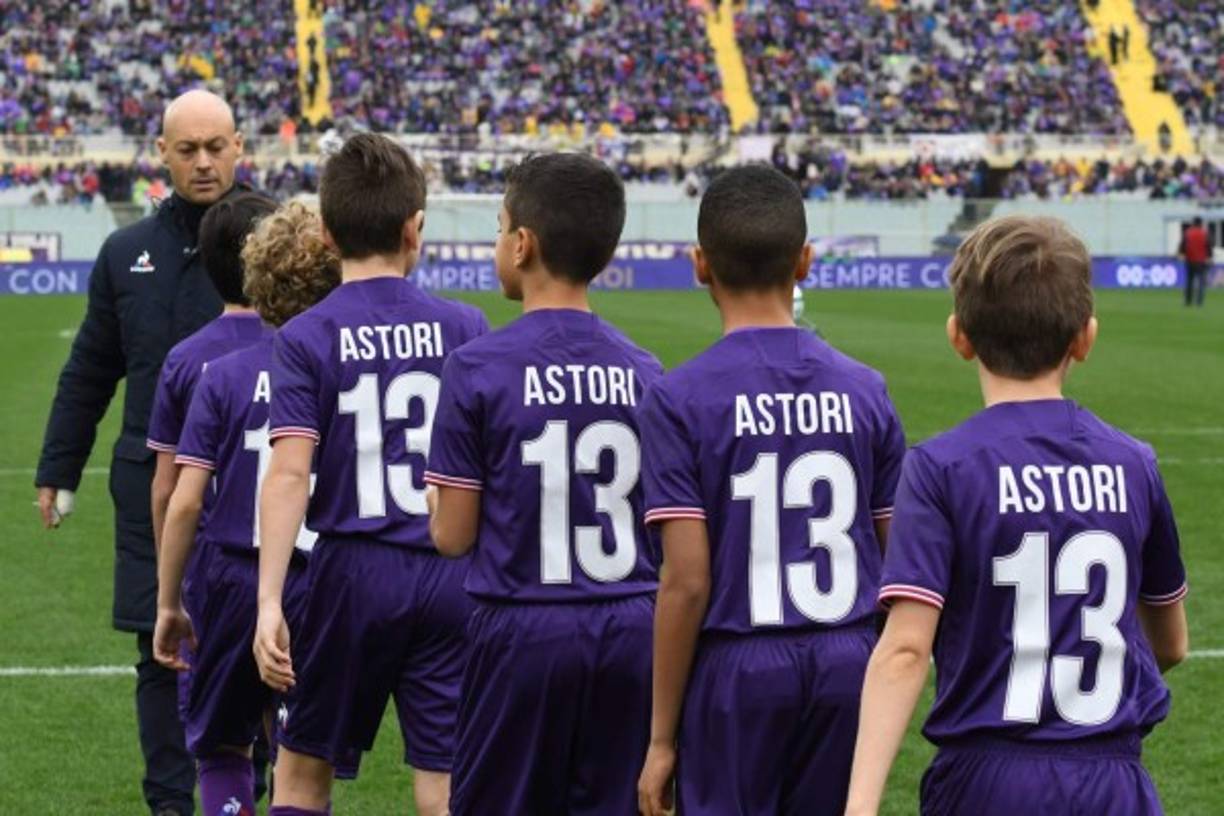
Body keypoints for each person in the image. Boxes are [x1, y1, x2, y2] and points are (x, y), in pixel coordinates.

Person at [844, 215, 1190, 816]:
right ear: (1085, 338)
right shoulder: (1134, 463)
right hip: (1113, 782)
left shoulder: (940, 467)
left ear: (959, 336)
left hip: (987, 781)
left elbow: (905, 650)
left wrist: (860, 806)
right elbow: (1172, 644)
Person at [634, 165, 906, 816]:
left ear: (700, 265)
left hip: (739, 668)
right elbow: (898, 553)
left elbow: (686, 582)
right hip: (848, 660)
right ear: (805, 262)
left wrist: (661, 737)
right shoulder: (866, 389)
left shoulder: (678, 397)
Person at [251, 134, 488, 816]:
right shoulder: (466, 326)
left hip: (351, 572)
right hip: (449, 571)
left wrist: (270, 600)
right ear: (415, 228)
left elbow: (289, 474)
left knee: (301, 776)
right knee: (447, 784)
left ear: (326, 235)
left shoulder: (304, 336)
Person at [425, 152, 664, 815]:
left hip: (522, 626)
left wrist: (438, 502)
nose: (498, 241)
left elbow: (452, 536)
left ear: (522, 244)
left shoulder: (476, 366)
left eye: (500, 227)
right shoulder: (646, 371)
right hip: (630, 623)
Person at [35, 89, 244, 816]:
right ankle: (170, 803)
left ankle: (252, 793)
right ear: (161, 154)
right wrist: (58, 467)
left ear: (239, 147)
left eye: (215, 147)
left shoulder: (278, 241)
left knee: (262, 644)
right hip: (149, 487)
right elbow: (91, 369)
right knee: (162, 652)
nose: (203, 162)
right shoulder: (126, 253)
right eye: (187, 150)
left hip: (256, 480)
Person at [153, 201, 341, 816]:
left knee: (222, 746)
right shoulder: (341, 372)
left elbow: (184, 502)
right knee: (302, 760)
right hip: (319, 576)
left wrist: (169, 601)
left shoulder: (223, 374)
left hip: (231, 576)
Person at [1179, 216, 1210, 307]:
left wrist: (1181, 253)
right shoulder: (1204, 233)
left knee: (1189, 281)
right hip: (1201, 261)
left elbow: (1183, 245)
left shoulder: (1188, 233)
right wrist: (1209, 257)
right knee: (1201, 282)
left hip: (1190, 260)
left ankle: (1188, 301)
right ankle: (1199, 302)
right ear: (1200, 223)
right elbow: (1208, 246)